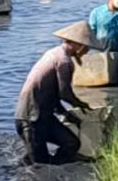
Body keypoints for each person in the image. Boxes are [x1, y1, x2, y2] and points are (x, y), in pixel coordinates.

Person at [14, 21, 99, 165]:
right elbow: (64, 92)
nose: (86, 51)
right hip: (30, 118)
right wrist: (81, 105)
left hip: (44, 115)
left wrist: (65, 113)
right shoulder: (62, 61)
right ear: (76, 44)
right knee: (39, 165)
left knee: (71, 143)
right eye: (85, 47)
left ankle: (55, 169)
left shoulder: (53, 53)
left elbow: (51, 93)